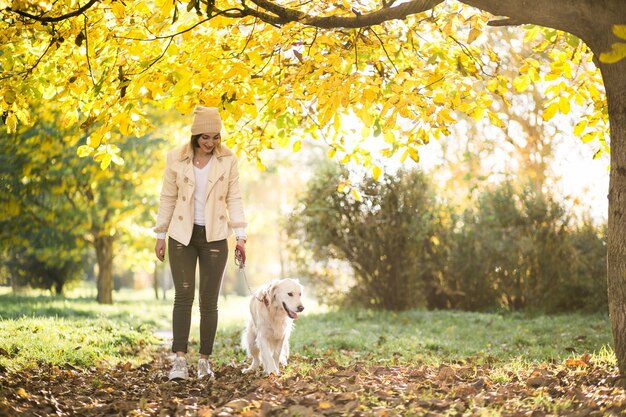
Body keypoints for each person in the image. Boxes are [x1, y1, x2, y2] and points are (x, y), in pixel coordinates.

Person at [154, 105, 247, 380]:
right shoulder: (176, 159)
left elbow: (235, 198)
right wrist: (160, 235)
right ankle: (179, 361)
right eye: (205, 137)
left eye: (215, 137)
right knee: (183, 297)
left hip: (216, 235)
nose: (210, 143)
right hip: (182, 234)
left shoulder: (228, 160)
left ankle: (204, 361)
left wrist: (240, 235)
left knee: (209, 301)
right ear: (194, 135)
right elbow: (167, 198)